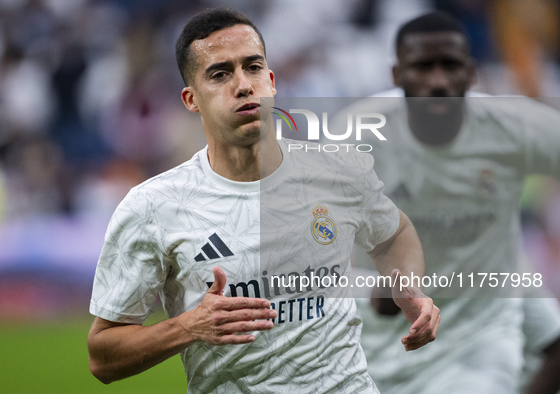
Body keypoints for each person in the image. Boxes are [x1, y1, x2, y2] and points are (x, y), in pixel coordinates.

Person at [86, 8, 440, 393]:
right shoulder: (153, 206)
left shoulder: (340, 172)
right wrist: (187, 327)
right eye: (220, 74)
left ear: (271, 81)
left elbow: (394, 232)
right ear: (191, 99)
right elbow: (103, 356)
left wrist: (409, 286)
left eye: (252, 67)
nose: (242, 85)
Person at [340, 12, 560, 394]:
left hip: (480, 337)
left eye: (450, 66)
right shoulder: (356, 136)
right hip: (379, 348)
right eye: (423, 67)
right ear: (397, 74)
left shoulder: (511, 126)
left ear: (471, 73)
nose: (438, 81)